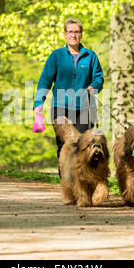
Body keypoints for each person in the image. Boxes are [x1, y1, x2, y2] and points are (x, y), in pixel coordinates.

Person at [33, 18, 104, 176]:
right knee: (65, 145)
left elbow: (99, 77)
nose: (74, 35)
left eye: (77, 32)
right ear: (65, 34)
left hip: (85, 108)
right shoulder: (56, 56)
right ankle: (66, 180)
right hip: (61, 108)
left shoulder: (90, 56)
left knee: (83, 145)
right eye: (70, 32)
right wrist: (38, 103)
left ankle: (81, 181)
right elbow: (44, 81)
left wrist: (93, 86)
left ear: (81, 35)